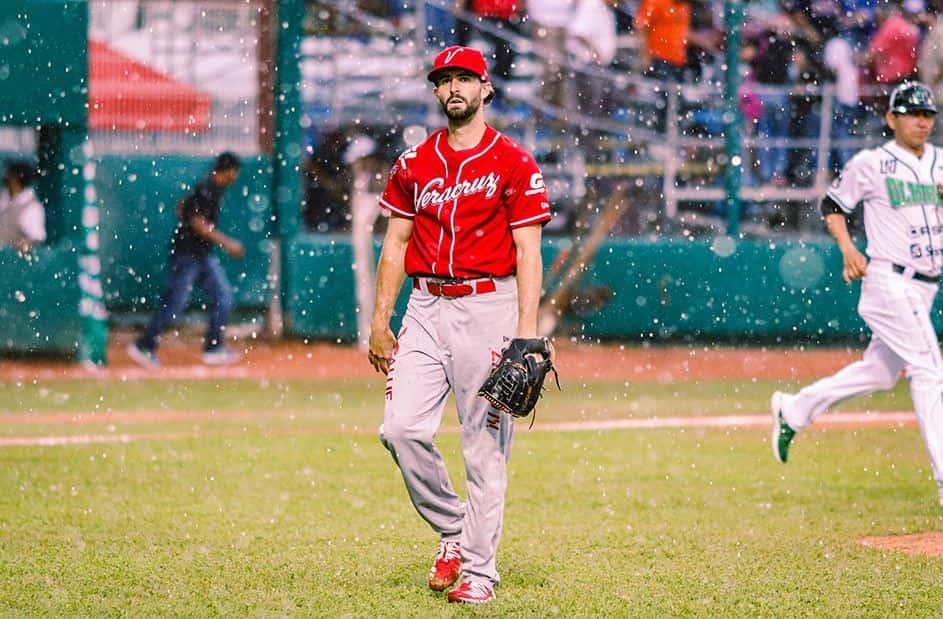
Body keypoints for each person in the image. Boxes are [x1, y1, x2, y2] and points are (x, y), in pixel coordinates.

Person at [368, 45, 551, 604]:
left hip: (488, 305)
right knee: (400, 429)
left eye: (464, 79)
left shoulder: (514, 162)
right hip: (424, 306)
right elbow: (396, 243)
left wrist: (525, 331)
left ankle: (479, 572)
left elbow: (528, 252)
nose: (453, 88)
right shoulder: (414, 163)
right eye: (444, 80)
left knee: (484, 446)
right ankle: (454, 528)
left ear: (485, 89)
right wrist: (380, 320)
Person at [771, 82, 943, 509]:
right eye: (911, 113)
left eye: (928, 114)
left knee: (882, 374)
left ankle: (794, 410)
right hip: (888, 279)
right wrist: (848, 248)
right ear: (891, 119)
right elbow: (832, 205)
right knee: (929, 370)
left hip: (925, 286)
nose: (921, 120)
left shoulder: (941, 162)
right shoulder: (873, 163)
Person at [127, 152, 245, 368]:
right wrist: (227, 243)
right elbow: (198, 222)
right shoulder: (207, 189)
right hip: (186, 255)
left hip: (201, 255)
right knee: (175, 303)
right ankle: (144, 345)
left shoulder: (212, 190)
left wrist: (188, 216)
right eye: (234, 172)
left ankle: (213, 348)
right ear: (228, 171)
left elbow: (182, 208)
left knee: (224, 297)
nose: (235, 177)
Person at [0, 159, 45, 253]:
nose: (6, 177)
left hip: (12, 262)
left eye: (10, 175)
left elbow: (37, 238)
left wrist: (26, 244)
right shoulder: (4, 197)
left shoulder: (31, 207)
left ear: (17, 179)